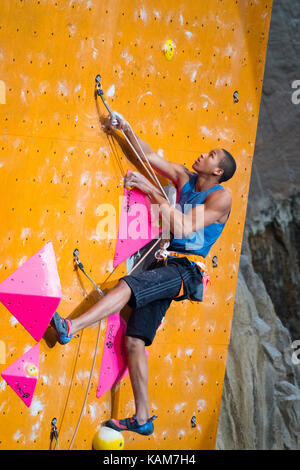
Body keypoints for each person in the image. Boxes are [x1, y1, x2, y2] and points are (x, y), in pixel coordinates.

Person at [50, 112, 236, 436]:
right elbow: (146, 156)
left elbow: (182, 225)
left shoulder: (220, 197)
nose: (203, 154)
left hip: (187, 269)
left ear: (217, 171)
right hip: (168, 264)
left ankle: (71, 326)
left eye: (211, 155)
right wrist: (125, 127)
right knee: (135, 340)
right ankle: (143, 418)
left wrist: (152, 191)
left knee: (128, 286)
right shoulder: (184, 178)